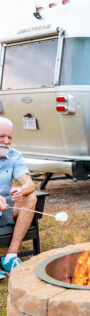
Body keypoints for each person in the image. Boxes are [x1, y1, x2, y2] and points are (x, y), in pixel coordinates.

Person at [0, 117, 37, 279]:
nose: (6, 141)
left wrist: (22, 190)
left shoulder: (15, 156)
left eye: (9, 138)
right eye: (1, 136)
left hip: (6, 207)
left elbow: (29, 184)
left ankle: (11, 256)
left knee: (31, 197)